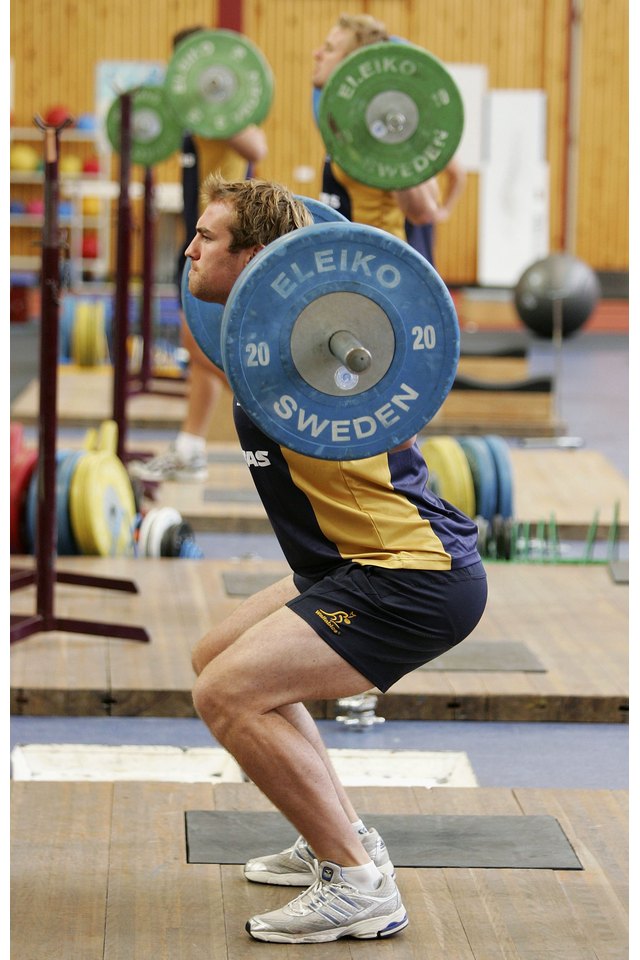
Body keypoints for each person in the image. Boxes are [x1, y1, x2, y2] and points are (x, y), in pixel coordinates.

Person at [186, 173, 488, 943]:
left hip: (408, 577)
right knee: (217, 654)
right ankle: (345, 833)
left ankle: (357, 884)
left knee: (226, 694)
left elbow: (387, 372)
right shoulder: (269, 351)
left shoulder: (327, 361)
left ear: (255, 256)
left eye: (207, 238)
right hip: (346, 568)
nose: (188, 249)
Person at [129, 26, 268, 484]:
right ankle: (191, 448)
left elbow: (257, 147)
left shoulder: (223, 112)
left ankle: (276, 414)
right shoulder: (187, 114)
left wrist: (216, 104)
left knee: (201, 345)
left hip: (221, 245)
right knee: (198, 347)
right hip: (198, 239)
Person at [313, 13, 465, 265]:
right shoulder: (352, 122)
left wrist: (394, 150)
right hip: (350, 263)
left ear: (351, 64)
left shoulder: (382, 129)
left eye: (328, 49)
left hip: (380, 269)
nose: (316, 54)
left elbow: (424, 210)